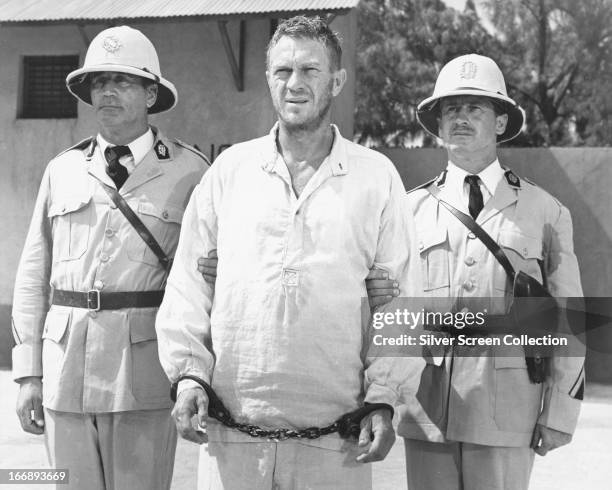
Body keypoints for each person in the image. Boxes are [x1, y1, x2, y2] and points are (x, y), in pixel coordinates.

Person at [155, 16, 420, 490]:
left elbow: (401, 302)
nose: (294, 84)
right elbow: (188, 286)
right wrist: (189, 375)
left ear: (337, 80)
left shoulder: (375, 177)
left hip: (337, 439)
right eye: (282, 71)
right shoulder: (229, 171)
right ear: (267, 79)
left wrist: (384, 397)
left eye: (310, 71)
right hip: (231, 436)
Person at [367, 54, 585, 490]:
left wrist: (560, 412)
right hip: (427, 407)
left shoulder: (545, 212)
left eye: (474, 108)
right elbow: (387, 315)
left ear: (501, 123)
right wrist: (380, 400)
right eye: (451, 110)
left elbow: (568, 318)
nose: (461, 119)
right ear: (439, 124)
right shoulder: (407, 211)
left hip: (506, 410)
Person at [12, 26, 209, 490]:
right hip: (65, 373)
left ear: (150, 94)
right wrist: (28, 374)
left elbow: (203, 285)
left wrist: (193, 375)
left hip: (143, 374)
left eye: (121, 81)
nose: (106, 92)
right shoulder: (62, 170)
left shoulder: (190, 171)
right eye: (98, 83)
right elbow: (32, 275)